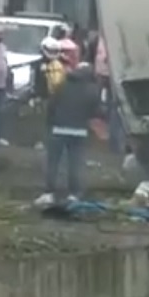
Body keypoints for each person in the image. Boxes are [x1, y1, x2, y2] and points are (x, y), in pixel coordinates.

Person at [34, 63, 102, 206]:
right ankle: (74, 194)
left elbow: (51, 106)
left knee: (53, 163)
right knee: (75, 164)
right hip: (79, 131)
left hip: (58, 128)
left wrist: (50, 124)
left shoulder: (62, 85)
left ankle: (49, 193)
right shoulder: (93, 90)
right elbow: (95, 112)